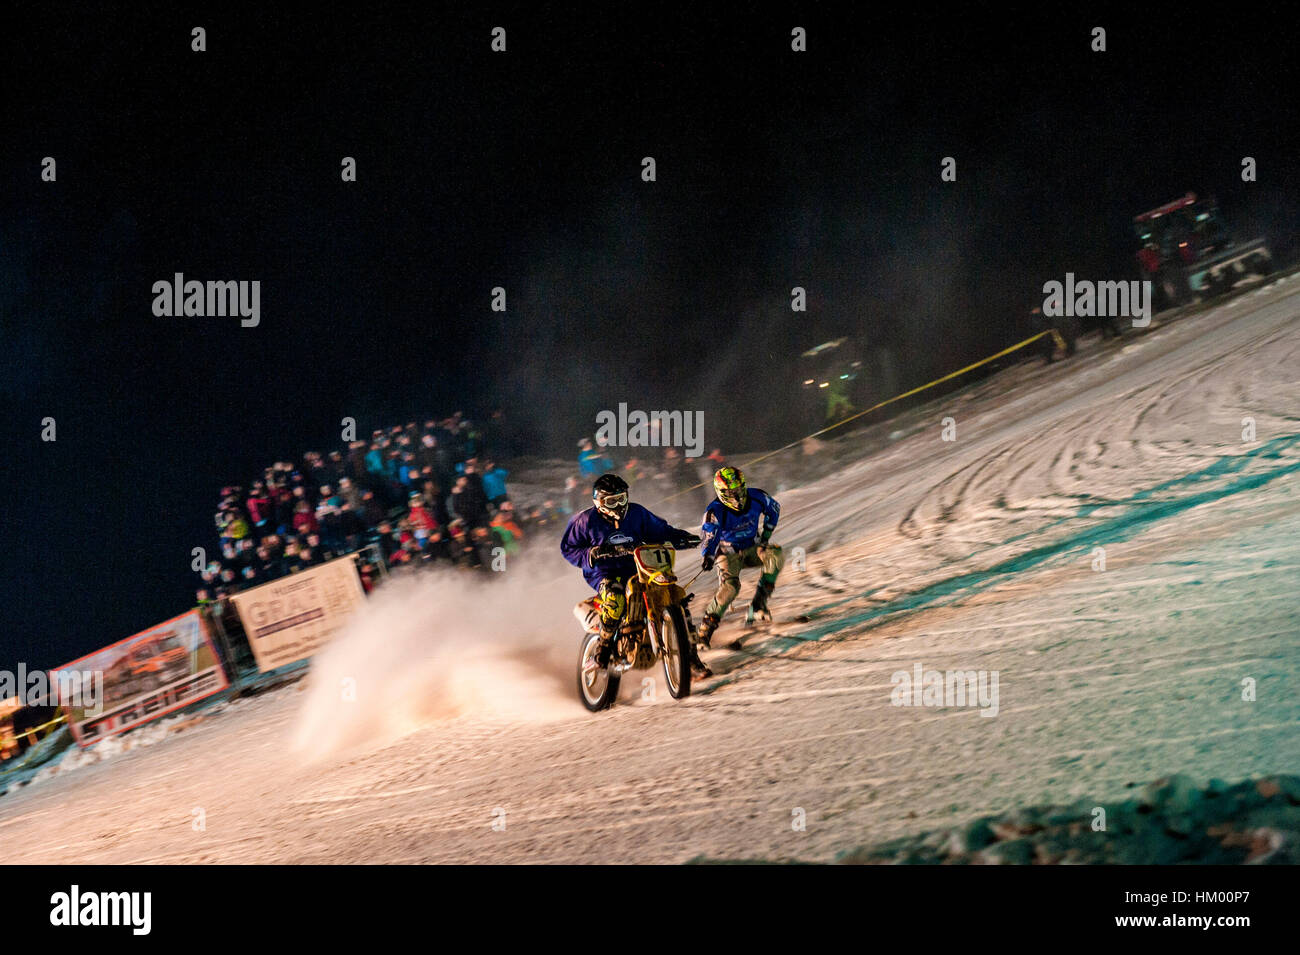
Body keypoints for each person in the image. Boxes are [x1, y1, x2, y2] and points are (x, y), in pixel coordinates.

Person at [560, 473, 700, 671]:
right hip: (604, 572)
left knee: (674, 596)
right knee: (615, 598)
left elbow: (662, 531)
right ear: (599, 502)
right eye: (612, 501)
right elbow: (568, 548)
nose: (618, 505)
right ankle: (603, 648)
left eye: (621, 498)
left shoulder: (637, 513)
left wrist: (684, 538)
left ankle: (691, 654)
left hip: (638, 566)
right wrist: (592, 553)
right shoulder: (585, 521)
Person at [696, 466, 784, 646]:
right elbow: (709, 535)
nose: (736, 497)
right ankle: (705, 631)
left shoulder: (757, 497)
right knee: (731, 588)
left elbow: (774, 509)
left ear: (744, 486)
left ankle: (758, 605)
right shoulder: (714, 511)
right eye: (730, 493)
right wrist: (708, 556)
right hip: (728, 554)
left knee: (775, 555)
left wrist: (765, 537)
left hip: (753, 548)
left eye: (738, 490)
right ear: (720, 493)